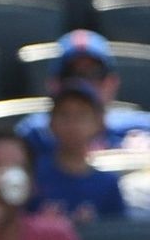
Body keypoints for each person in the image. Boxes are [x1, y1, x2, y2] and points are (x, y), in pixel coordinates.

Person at [16, 29, 150, 156]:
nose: (84, 83)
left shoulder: (141, 128)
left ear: (112, 83)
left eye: (95, 73)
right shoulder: (34, 134)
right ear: (54, 84)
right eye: (72, 73)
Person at [32, 80, 127, 221]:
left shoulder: (107, 184)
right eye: (64, 115)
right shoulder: (33, 177)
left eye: (82, 116)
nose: (72, 124)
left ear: (98, 124)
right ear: (51, 123)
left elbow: (119, 235)